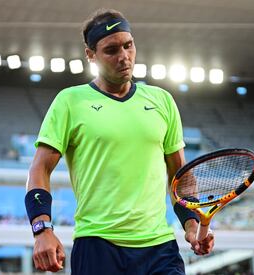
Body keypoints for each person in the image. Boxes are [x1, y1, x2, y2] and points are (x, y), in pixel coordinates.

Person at [24, 8, 214, 274]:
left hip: (159, 247)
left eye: (128, 45)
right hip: (98, 244)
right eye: (111, 50)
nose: (124, 57)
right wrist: (41, 229)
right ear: (90, 55)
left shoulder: (162, 101)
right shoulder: (70, 101)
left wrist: (192, 224)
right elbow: (39, 169)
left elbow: (179, 175)